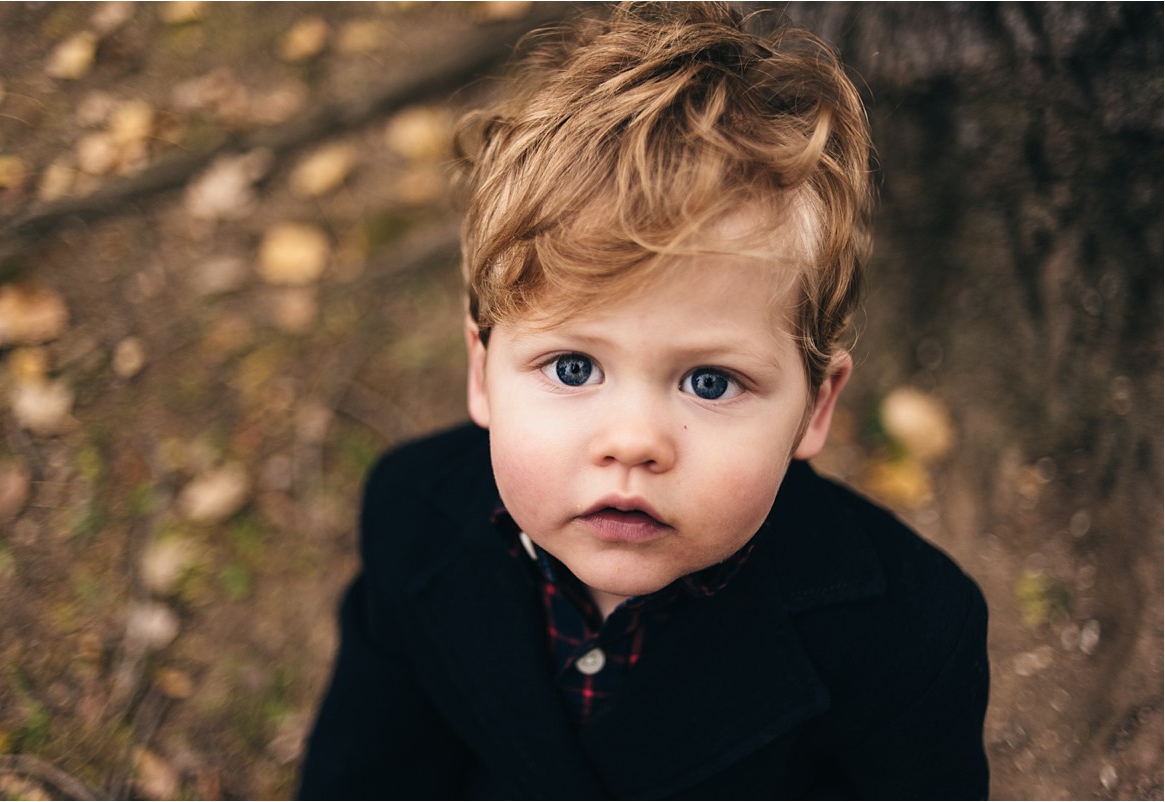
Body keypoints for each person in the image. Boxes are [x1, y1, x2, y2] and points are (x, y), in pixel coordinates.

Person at [299, 3, 989, 798]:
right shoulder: (411, 514)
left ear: (815, 407)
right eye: (572, 368)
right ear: (482, 372)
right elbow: (363, 772)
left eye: (710, 381)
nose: (632, 441)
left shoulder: (910, 637)